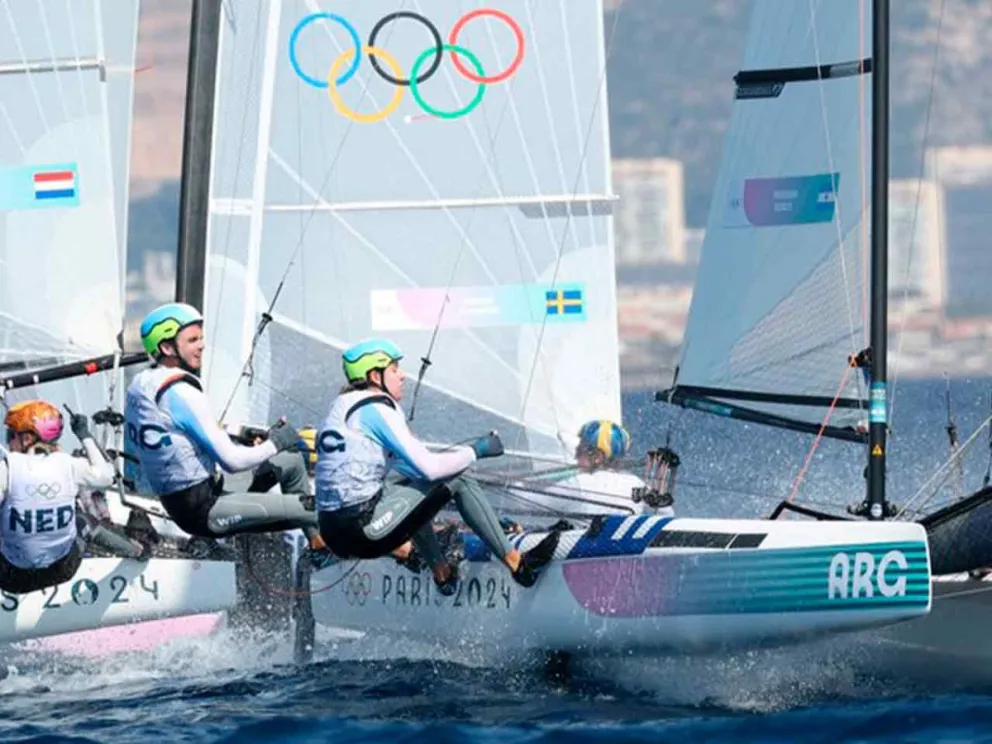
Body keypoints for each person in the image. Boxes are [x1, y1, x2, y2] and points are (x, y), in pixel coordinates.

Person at [315, 338, 560, 596]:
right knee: (460, 477)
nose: (403, 376)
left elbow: (413, 473)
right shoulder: (377, 409)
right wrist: (476, 451)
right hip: (364, 531)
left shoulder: (340, 407)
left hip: (333, 534)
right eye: (395, 369)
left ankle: (443, 574)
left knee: (412, 487)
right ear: (375, 376)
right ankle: (519, 565)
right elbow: (430, 469)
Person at [124, 301, 336, 568]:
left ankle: (318, 545)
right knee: (320, 507)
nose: (202, 345)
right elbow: (233, 462)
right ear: (167, 348)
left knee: (291, 462)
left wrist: (261, 446)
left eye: (201, 337)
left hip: (200, 491)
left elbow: (178, 439)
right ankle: (398, 548)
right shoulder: (182, 392)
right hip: (204, 511)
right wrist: (278, 441)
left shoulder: (140, 383)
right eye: (192, 340)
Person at [0, 400, 150, 594]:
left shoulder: (6, 469)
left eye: (10, 435)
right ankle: (139, 551)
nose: (8, 442)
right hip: (62, 570)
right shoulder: (70, 465)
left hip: (11, 578)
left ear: (27, 438)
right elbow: (107, 475)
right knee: (83, 520)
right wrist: (84, 435)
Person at [511, 420, 674, 518]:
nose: (575, 455)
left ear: (597, 457)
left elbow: (525, 503)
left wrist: (511, 482)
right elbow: (667, 513)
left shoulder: (580, 483)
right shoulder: (635, 484)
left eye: (580, 449)